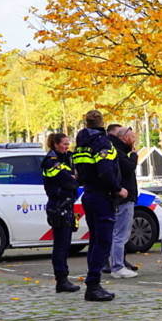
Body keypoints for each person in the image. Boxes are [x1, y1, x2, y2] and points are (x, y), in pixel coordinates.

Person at [72, 109, 127, 302]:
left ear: (86, 124)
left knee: (95, 241)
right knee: (103, 241)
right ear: (102, 123)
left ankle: (93, 283)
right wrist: (118, 188)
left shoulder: (80, 145)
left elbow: (79, 170)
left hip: (88, 194)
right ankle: (93, 285)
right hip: (102, 196)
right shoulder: (102, 143)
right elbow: (105, 169)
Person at [42, 132, 80, 294]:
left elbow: (76, 179)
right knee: (61, 245)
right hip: (58, 206)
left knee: (65, 244)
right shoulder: (51, 162)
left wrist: (74, 177)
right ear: (55, 144)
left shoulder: (65, 158)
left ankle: (63, 279)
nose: (67, 146)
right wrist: (73, 178)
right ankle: (61, 280)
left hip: (66, 205)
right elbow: (70, 182)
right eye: (64, 144)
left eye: (68, 143)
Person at [108, 126, 139, 278]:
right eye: (132, 137)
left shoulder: (117, 151)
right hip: (124, 197)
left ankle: (116, 264)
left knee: (117, 234)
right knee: (121, 234)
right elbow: (128, 168)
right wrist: (134, 155)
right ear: (125, 138)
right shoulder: (119, 153)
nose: (134, 140)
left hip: (123, 197)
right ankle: (117, 266)